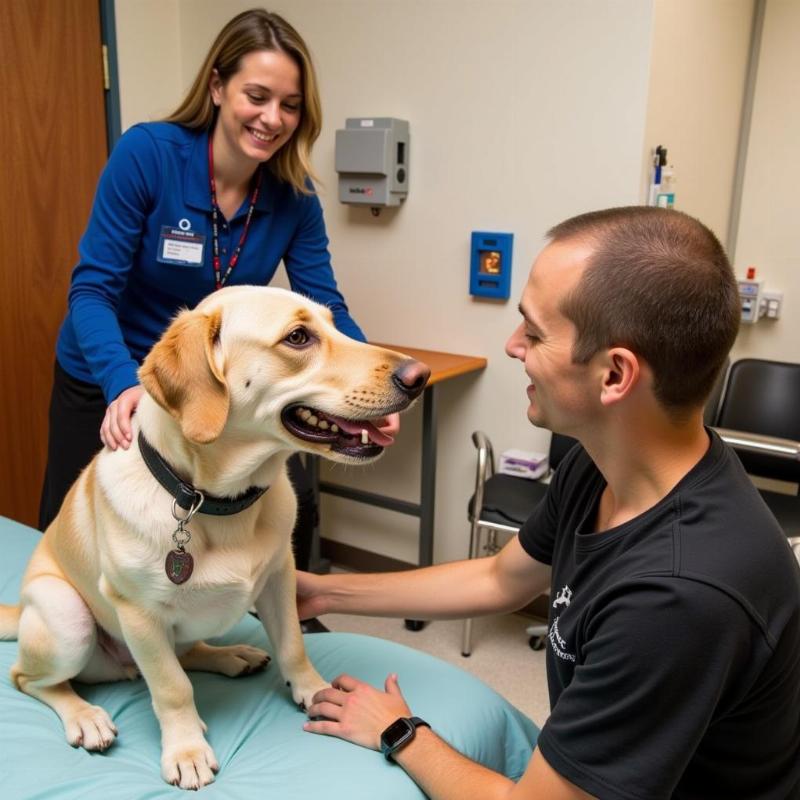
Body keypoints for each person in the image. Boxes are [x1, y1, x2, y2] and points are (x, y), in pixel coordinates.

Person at [296, 207, 800, 799]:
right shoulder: (607, 462)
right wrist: (323, 590)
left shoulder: (679, 594)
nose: (512, 346)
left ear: (615, 375)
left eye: (534, 333)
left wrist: (400, 732)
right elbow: (499, 579)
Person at [37, 8, 398, 571]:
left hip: (215, 383)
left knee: (287, 499)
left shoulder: (294, 198)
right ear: (216, 87)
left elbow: (327, 305)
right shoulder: (149, 156)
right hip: (109, 372)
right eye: (257, 95)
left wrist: (375, 383)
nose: (272, 118)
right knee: (84, 547)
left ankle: (291, 616)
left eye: (290, 104)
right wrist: (120, 384)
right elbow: (91, 293)